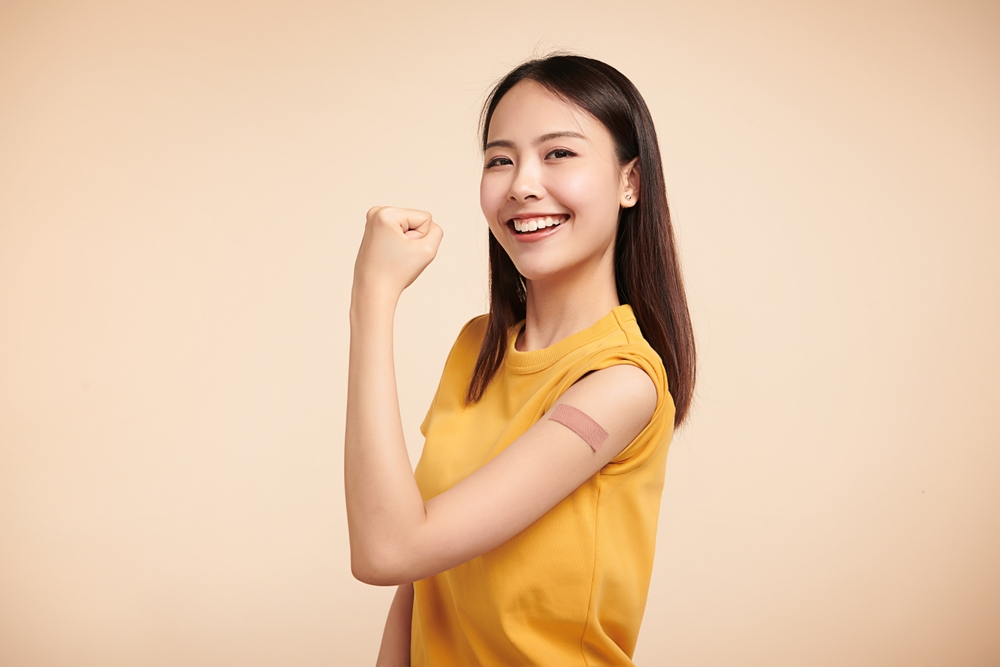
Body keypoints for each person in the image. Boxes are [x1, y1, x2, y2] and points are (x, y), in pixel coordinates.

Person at [345, 54, 696, 666]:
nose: (521, 184)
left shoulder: (620, 384)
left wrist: (372, 299)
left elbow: (387, 550)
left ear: (630, 181)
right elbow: (419, 580)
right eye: (500, 159)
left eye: (558, 153)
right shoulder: (476, 350)